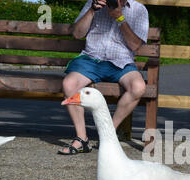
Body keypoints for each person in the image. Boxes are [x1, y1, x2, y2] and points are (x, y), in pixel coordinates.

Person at [59, 0, 149, 155]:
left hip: (122, 62)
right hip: (92, 59)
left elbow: (135, 46)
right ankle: (82, 139)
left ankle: (108, 134)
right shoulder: (92, 3)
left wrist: (120, 18)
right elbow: (77, 33)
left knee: (138, 87)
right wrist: (92, 10)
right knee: (69, 84)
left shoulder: (139, 10)